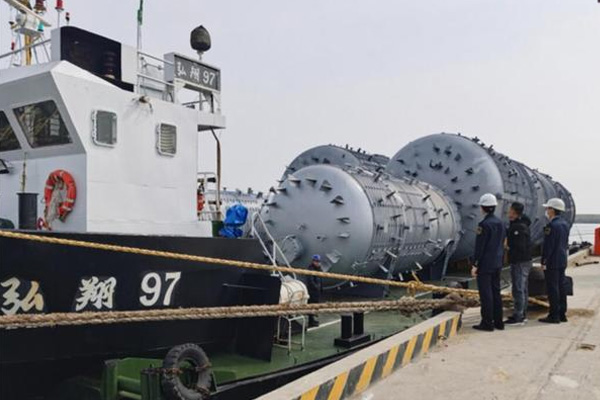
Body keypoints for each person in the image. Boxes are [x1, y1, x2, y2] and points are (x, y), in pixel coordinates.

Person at [471, 193, 506, 332]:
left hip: (485, 264)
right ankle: (499, 322)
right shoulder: (501, 223)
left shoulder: (484, 225)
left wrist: (475, 264)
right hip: (497, 263)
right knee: (496, 292)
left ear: (483, 207)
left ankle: (487, 323)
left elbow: (480, 247)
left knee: (486, 294)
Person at [539, 198, 571, 324]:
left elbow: (548, 246)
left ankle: (554, 315)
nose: (547, 211)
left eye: (548, 208)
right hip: (562, 259)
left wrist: (544, 261)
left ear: (552, 210)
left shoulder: (551, 226)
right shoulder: (565, 224)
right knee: (561, 286)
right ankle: (562, 313)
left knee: (552, 288)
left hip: (552, 261)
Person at [504, 202, 533, 326]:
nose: (508, 212)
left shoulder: (518, 227)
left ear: (513, 211)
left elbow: (520, 246)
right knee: (522, 288)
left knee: (518, 288)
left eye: (510, 210)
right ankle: (522, 313)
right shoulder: (521, 223)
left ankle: (519, 315)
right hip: (524, 261)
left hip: (520, 261)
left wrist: (508, 247)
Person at [306, 254, 323, 327]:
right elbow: (310, 280)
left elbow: (321, 278)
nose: (317, 263)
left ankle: (313, 320)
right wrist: (316, 287)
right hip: (312, 291)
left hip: (317, 291)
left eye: (318, 261)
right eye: (316, 261)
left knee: (315, 305)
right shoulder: (310, 269)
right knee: (311, 305)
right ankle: (311, 321)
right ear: (313, 261)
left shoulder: (318, 269)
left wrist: (320, 288)